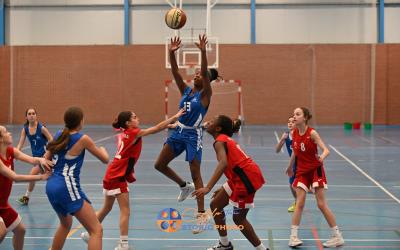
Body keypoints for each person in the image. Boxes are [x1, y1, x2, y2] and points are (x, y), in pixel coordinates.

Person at [81, 108, 185, 250]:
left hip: (111, 173)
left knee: (107, 208)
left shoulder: (126, 133)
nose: (138, 118)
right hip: (118, 176)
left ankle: (88, 233)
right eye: (135, 117)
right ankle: (123, 244)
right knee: (125, 210)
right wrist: (174, 117)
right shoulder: (134, 133)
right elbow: (154, 129)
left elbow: (154, 129)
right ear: (129, 122)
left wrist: (167, 125)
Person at [154, 34, 220, 234]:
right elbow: (175, 72)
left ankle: (201, 215)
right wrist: (171, 53)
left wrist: (202, 51)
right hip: (178, 131)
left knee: (196, 172)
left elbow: (204, 72)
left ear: (207, 79)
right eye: (197, 74)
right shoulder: (186, 91)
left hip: (193, 136)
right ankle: (184, 186)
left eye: (201, 74)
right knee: (159, 165)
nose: (197, 75)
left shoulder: (206, 95)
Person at [193, 115, 267, 250]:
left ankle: (262, 249)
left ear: (218, 128)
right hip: (239, 177)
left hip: (246, 179)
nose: (208, 121)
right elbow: (235, 165)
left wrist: (208, 187)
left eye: (212, 121)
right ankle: (225, 244)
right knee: (215, 204)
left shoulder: (219, 142)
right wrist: (224, 187)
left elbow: (223, 163)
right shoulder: (224, 140)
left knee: (239, 219)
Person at [45, 107, 109, 250]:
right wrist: (103, 149)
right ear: (81, 121)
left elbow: (45, 160)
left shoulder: (58, 134)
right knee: (96, 230)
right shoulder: (83, 139)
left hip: (51, 186)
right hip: (66, 186)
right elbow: (105, 159)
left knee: (65, 224)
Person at [286, 107, 344, 248]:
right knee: (299, 203)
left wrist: (322, 157)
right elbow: (295, 151)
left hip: (315, 170)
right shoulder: (293, 133)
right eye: (294, 114)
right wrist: (289, 166)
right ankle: (293, 237)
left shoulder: (312, 133)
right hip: (301, 171)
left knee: (321, 204)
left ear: (305, 117)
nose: (295, 116)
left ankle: (337, 236)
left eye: (298, 114)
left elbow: (326, 150)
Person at [0, 125, 52, 249]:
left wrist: (41, 160)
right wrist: (41, 177)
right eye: (6, 132)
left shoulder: (11, 151)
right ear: (0, 139)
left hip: (3, 204)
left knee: (20, 230)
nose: (10, 133)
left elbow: (32, 160)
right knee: (1, 232)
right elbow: (15, 177)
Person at [16, 108, 53, 205]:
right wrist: (16, 152)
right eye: (29, 114)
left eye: (33, 113)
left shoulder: (41, 128)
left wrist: (48, 152)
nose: (31, 115)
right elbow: (20, 143)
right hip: (36, 159)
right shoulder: (25, 129)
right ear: (26, 117)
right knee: (50, 178)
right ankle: (27, 197)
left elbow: (52, 141)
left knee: (32, 175)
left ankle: (26, 197)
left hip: (45, 158)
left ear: (36, 116)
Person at [275, 116, 297, 212]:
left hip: (302, 163)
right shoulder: (286, 135)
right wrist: (281, 140)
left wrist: (290, 166)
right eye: (289, 122)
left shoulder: (300, 135)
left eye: (293, 122)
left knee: (296, 185)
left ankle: (315, 193)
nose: (290, 123)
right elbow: (277, 150)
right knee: (291, 185)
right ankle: (297, 202)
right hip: (293, 164)